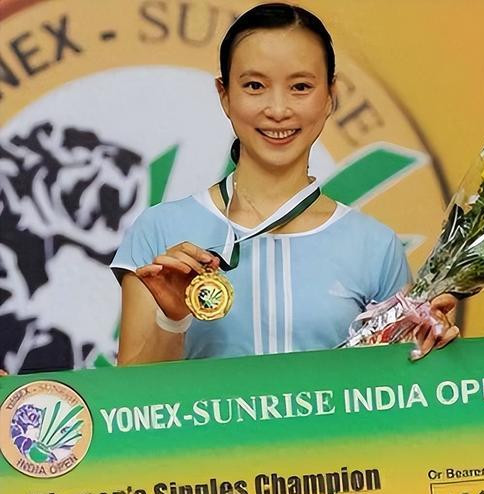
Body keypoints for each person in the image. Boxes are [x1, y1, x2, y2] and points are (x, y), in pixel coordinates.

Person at [106, 3, 459, 365]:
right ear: (225, 95)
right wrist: (172, 319)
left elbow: (394, 386)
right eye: (255, 86)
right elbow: (134, 395)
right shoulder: (160, 232)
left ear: (330, 96)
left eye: (300, 87)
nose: (278, 110)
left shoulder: (375, 247)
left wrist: (430, 347)